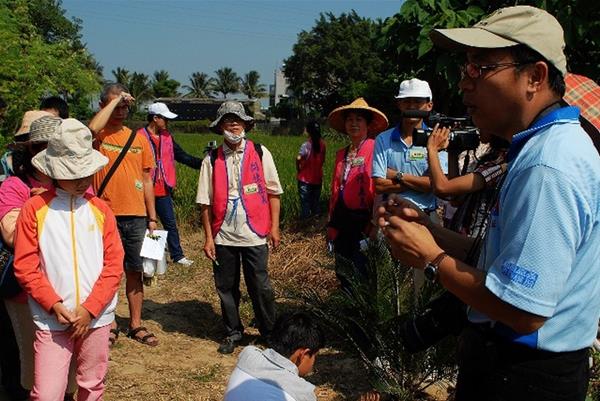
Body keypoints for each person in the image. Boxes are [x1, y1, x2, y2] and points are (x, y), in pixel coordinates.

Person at [379, 6, 600, 401]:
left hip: (523, 375)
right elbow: (505, 261)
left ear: (534, 77)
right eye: (466, 67)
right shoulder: (535, 150)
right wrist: (430, 231)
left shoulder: (548, 165)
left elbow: (523, 311)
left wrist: (431, 259)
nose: (464, 83)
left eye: (480, 68)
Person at [13, 118, 124, 401]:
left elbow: (113, 265)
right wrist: (53, 304)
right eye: (72, 173)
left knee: (91, 384)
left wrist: (90, 309)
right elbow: (25, 265)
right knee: (47, 393)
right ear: (52, 171)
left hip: (96, 319)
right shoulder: (34, 209)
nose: (81, 180)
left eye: (85, 173)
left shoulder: (101, 210)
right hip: (51, 319)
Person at [1, 115, 79, 400]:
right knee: (35, 371)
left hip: (72, 292)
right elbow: (11, 236)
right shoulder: (15, 188)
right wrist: (40, 205)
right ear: (28, 150)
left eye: (54, 146)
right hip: (27, 293)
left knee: (70, 371)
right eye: (39, 147)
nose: (47, 154)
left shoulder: (79, 185)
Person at [197, 101, 283, 354]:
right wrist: (208, 238)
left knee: (260, 285)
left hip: (254, 232)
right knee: (226, 287)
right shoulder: (211, 158)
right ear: (220, 126)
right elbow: (205, 202)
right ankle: (233, 331)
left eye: (238, 120)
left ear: (246, 124)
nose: (233, 124)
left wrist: (274, 228)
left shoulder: (260, 152)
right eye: (227, 120)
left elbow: (274, 192)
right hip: (223, 234)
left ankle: (269, 332)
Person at [88, 83, 159, 347]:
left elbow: (147, 179)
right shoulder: (98, 136)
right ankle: (110, 323)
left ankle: (136, 324)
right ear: (103, 106)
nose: (120, 110)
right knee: (107, 272)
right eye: (114, 105)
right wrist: (112, 102)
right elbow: (91, 129)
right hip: (104, 214)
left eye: (124, 105)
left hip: (136, 217)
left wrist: (152, 217)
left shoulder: (138, 139)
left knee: (135, 270)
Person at [326, 98, 388, 291]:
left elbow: (380, 187)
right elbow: (335, 189)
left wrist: (375, 221)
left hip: (365, 221)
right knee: (343, 271)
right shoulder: (341, 154)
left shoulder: (375, 149)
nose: (353, 123)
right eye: (350, 119)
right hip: (342, 220)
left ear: (367, 125)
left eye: (359, 119)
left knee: (362, 272)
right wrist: (330, 223)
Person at [139, 102, 201, 266]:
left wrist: (204, 163)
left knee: (170, 224)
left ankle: (178, 255)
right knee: (145, 225)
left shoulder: (167, 138)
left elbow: (183, 156)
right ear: (155, 118)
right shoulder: (138, 137)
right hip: (143, 190)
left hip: (163, 189)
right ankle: (145, 260)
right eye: (165, 119)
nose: (167, 122)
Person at [427, 128, 508, 241]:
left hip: (476, 239)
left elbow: (442, 188)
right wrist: (453, 151)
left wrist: (432, 149)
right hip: (464, 232)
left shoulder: (502, 163)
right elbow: (455, 198)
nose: (478, 130)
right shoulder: (491, 158)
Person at [224, 312, 324, 401]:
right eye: (315, 356)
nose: (313, 363)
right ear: (303, 354)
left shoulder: (248, 355)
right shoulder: (302, 393)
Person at [296, 120, 326, 219]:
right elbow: (322, 160)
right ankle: (315, 221)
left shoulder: (306, 145)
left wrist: (298, 169)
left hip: (305, 179)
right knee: (315, 201)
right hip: (317, 178)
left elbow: (298, 158)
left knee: (305, 202)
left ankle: (306, 222)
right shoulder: (323, 144)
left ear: (308, 131)